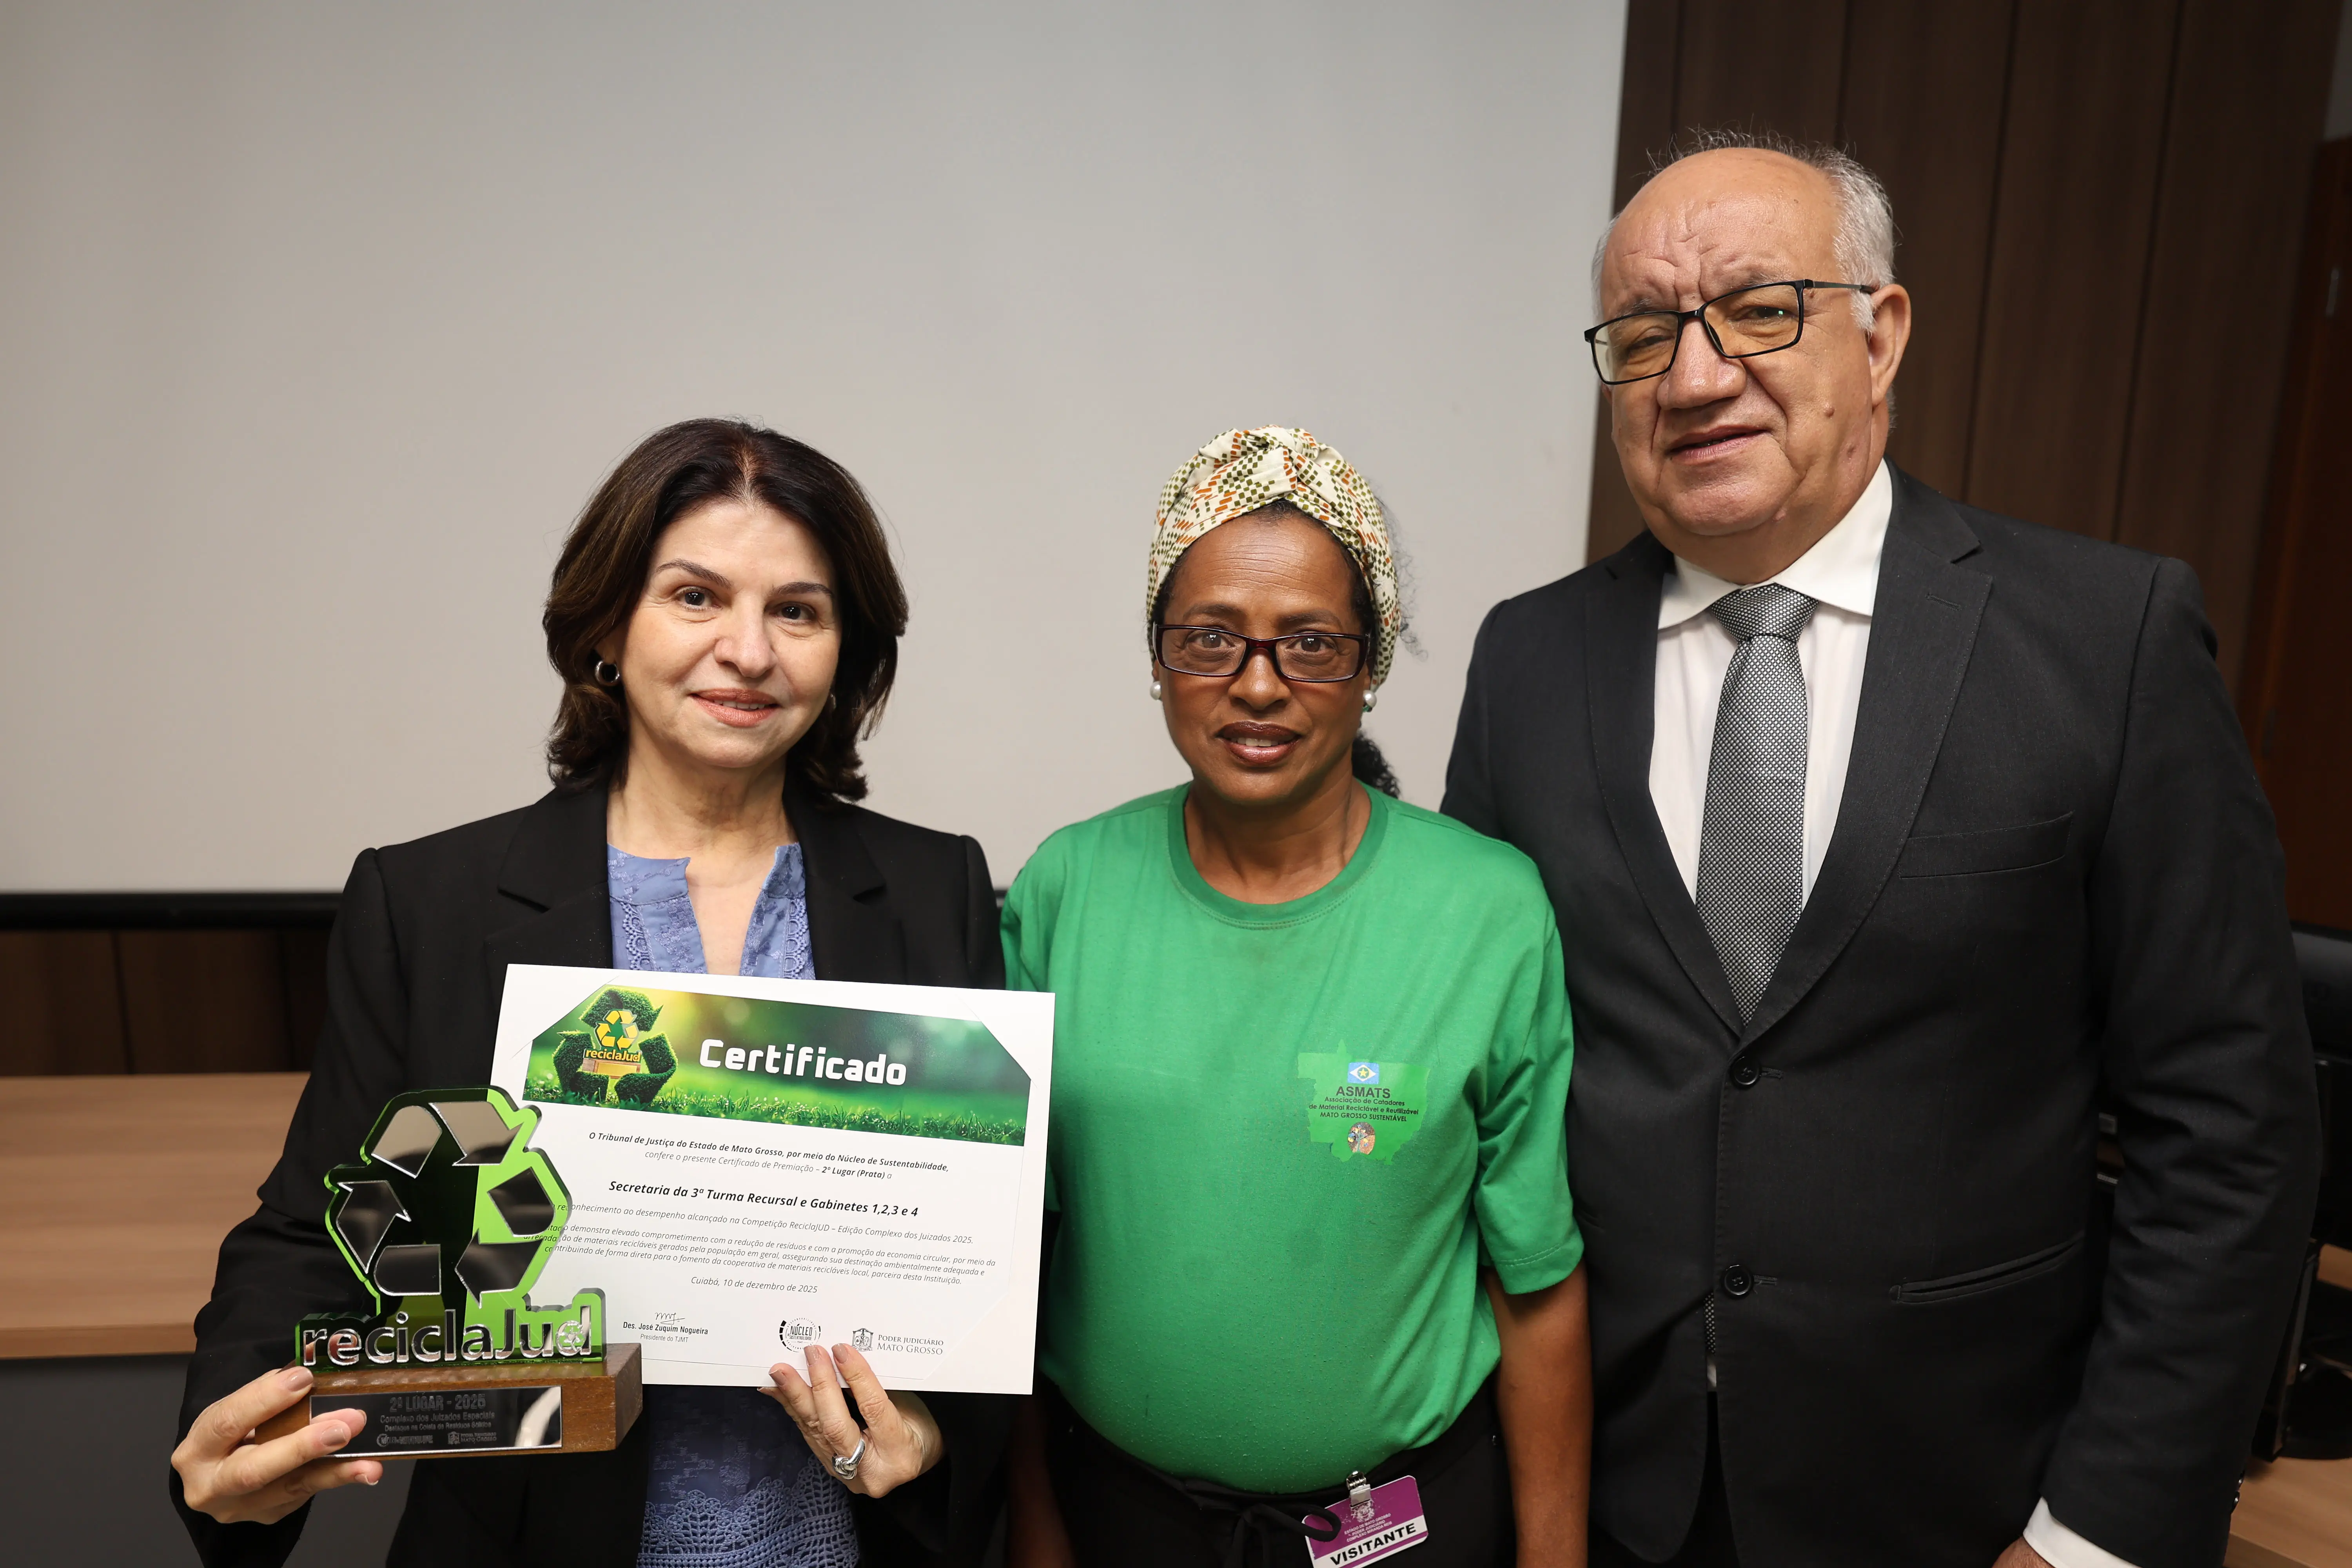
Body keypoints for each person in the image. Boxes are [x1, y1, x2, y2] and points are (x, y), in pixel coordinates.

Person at [1441, 132, 2322, 1568]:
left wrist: (2094, 1535)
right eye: (1646, 333)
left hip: (1970, 1508)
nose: (1696, 375)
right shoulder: (1529, 659)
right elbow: (1474, 1074)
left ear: (1882, 332)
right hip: (1604, 1500)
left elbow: (2227, 1134)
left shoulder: (2110, 643)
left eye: (1760, 310)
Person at [170, 419, 1010, 1568]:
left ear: (846, 650)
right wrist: (234, 1436)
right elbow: (322, 1227)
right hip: (532, 1537)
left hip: (844, 1538)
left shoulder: (933, 889)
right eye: (696, 597)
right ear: (609, 624)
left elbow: (981, 1244)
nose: (749, 653)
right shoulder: (435, 902)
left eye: (798, 612)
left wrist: (930, 1431)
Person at [1002, 427, 1591, 1568]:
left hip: (1398, 1531)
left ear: (1370, 664)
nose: (1258, 683)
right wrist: (1033, 1523)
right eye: (1210, 638)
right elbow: (1010, 1254)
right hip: (1120, 1518)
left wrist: (1554, 1559)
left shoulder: (1486, 910)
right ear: (1160, 655)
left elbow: (1537, 1281)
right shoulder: (1064, 890)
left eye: (1312, 644)